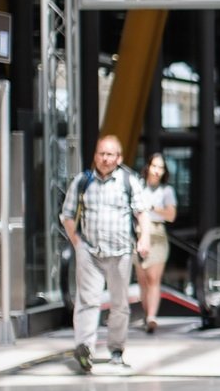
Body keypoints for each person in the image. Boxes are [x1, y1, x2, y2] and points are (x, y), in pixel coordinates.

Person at [59, 135, 151, 373]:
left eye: (110, 154)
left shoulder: (129, 181)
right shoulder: (83, 181)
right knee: (87, 302)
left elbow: (142, 214)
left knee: (119, 304)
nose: (105, 158)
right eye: (101, 154)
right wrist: (78, 242)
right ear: (95, 156)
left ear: (118, 158)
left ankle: (117, 349)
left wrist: (144, 238)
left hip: (121, 253)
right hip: (90, 252)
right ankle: (84, 348)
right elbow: (67, 215)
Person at [136, 153, 178, 333]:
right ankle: (147, 315)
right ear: (148, 167)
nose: (157, 171)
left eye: (161, 167)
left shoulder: (166, 191)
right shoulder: (138, 188)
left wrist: (153, 208)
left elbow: (171, 215)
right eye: (155, 166)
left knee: (154, 278)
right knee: (143, 280)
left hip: (157, 234)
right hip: (138, 235)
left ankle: (152, 316)